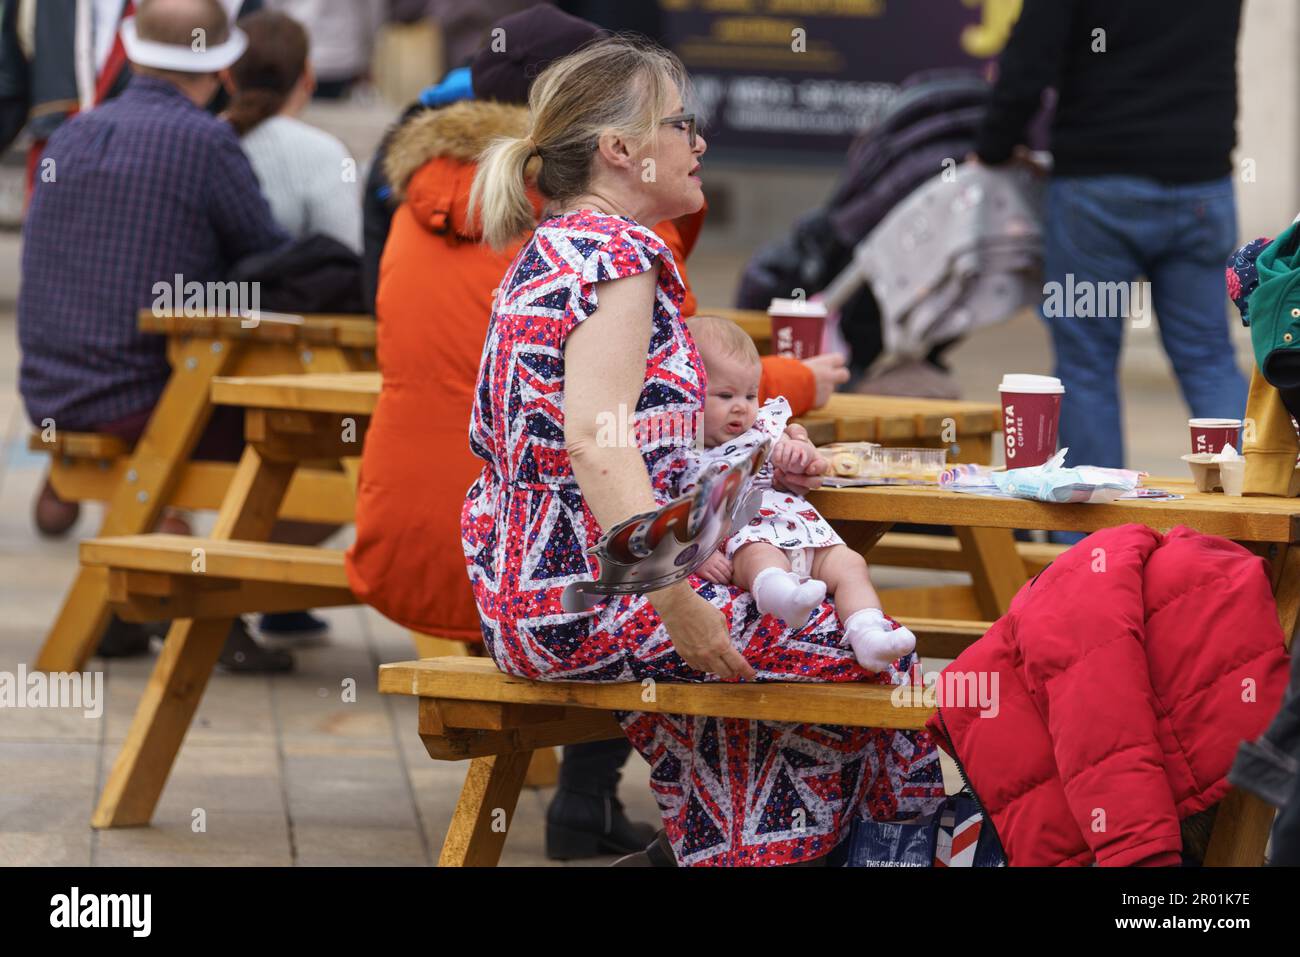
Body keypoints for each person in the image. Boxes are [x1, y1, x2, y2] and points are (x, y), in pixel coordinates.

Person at [462, 35, 943, 866]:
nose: (700, 143)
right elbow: (594, 436)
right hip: (591, 594)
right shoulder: (619, 256)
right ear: (620, 151)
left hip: (533, 590)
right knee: (885, 670)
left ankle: (731, 848)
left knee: (789, 685)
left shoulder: (551, 249)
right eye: (680, 124)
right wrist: (674, 596)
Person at [18, 0, 294, 671]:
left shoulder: (73, 135)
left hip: (50, 388)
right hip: (144, 396)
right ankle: (201, 606)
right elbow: (268, 258)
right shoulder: (205, 142)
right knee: (293, 436)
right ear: (221, 69)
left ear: (133, 53)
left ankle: (135, 598)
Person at [975, 0, 1248, 472]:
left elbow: (1028, 63)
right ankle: (1258, 517)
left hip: (1098, 193)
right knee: (1208, 356)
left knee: (1086, 365)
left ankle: (1094, 538)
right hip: (1201, 185)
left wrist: (993, 147)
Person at [684, 315, 917, 672]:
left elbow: (800, 460)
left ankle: (869, 634)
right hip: (746, 535)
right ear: (687, 391)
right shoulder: (684, 452)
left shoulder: (764, 429)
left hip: (803, 530)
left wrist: (799, 453)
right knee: (760, 557)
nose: (741, 407)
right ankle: (787, 599)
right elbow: (672, 511)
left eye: (750, 395)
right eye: (725, 395)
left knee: (851, 565)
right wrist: (696, 554)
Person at [222, 9, 360, 251]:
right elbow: (345, 254)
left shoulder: (200, 140)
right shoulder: (327, 154)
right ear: (308, 76)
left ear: (228, 78)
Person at [263, 0, 382, 99]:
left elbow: (272, 9)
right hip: (340, 53)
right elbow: (373, 13)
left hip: (300, 48)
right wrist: (367, 55)